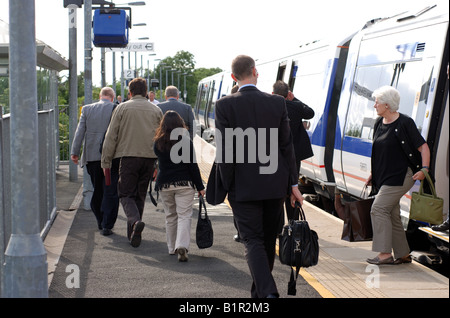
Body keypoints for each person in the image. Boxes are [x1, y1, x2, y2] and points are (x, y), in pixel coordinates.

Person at [212, 55, 303, 298]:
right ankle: (260, 294)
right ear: (256, 71)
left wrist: (227, 185)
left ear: (233, 77)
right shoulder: (276, 103)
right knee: (266, 241)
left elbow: (225, 152)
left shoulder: (224, 105)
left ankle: (268, 292)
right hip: (275, 186)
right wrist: (293, 183)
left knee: (251, 240)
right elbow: (287, 147)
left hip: (243, 187)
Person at [365, 85, 430, 265]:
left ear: (387, 104)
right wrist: (373, 173)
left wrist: (424, 169)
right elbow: (380, 153)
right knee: (391, 213)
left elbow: (423, 147)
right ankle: (403, 253)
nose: (374, 105)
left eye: (377, 102)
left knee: (378, 209)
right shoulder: (379, 123)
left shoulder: (405, 123)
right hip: (384, 176)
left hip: (402, 176)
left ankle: (385, 254)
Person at [101, 77, 163, 248]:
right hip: (149, 158)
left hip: (128, 157)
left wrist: (106, 161)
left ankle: (135, 223)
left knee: (125, 194)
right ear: (146, 92)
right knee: (140, 196)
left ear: (130, 92)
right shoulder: (156, 110)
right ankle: (133, 234)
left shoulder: (122, 108)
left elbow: (111, 136)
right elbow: (161, 138)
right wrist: (159, 163)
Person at [153, 111, 205, 261]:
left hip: (165, 184)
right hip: (184, 184)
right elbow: (192, 166)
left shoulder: (158, 142)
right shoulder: (185, 141)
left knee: (170, 215)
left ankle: (171, 248)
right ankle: (181, 245)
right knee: (184, 215)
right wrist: (200, 186)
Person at [71, 87, 120, 236]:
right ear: (112, 97)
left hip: (92, 156)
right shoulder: (116, 109)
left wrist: (75, 152)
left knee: (97, 189)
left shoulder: (86, 109)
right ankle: (107, 224)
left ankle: (100, 220)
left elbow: (80, 131)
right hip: (111, 157)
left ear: (100, 96)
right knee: (110, 190)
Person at [273, 80, 314, 221]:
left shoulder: (269, 106)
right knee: (293, 189)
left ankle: (277, 227)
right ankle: (292, 224)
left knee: (276, 192)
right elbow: (310, 113)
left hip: (274, 156)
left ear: (273, 93)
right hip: (293, 157)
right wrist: (294, 98)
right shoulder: (295, 106)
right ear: (288, 94)